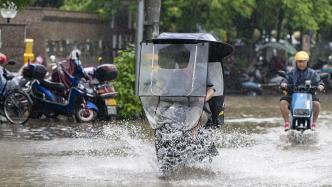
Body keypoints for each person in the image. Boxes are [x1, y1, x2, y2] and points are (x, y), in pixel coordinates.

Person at [280, 51, 324, 131]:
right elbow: (285, 80)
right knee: (283, 102)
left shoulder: (313, 73)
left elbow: (319, 82)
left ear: (307, 62)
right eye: (299, 61)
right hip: (292, 95)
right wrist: (283, 84)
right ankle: (286, 123)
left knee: (317, 104)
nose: (301, 64)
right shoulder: (291, 73)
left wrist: (320, 86)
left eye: (303, 62)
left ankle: (314, 123)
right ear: (296, 62)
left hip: (309, 95)